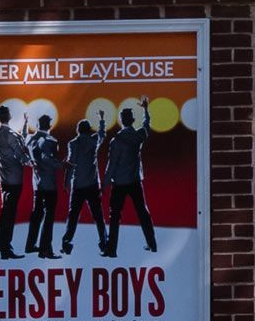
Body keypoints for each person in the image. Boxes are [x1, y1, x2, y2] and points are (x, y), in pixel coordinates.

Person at [103, 107, 156, 256]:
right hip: (134, 181)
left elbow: (111, 165)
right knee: (143, 213)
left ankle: (111, 250)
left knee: (114, 216)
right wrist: (146, 110)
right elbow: (146, 125)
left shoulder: (116, 141)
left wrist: (105, 183)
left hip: (119, 183)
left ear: (121, 121)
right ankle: (152, 244)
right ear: (132, 120)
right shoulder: (138, 136)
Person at [0, 106, 31, 260]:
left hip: (3, 179)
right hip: (15, 180)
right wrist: (33, 163)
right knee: (9, 215)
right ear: (9, 116)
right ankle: (6, 249)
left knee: (5, 212)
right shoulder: (11, 135)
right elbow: (21, 154)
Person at [61, 116, 108, 257]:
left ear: (78, 130)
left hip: (78, 185)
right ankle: (104, 242)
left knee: (73, 216)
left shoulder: (73, 144)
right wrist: (101, 120)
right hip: (92, 184)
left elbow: (70, 164)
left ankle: (67, 242)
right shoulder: (94, 141)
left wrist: (66, 182)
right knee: (98, 216)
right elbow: (102, 134)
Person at [23, 113, 64, 258]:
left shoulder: (30, 139)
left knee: (37, 215)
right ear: (50, 126)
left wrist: (25, 123)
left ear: (38, 125)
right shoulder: (50, 140)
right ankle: (45, 249)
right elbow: (47, 158)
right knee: (48, 217)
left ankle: (30, 245)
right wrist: (62, 164)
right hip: (49, 185)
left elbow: (24, 135)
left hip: (37, 184)